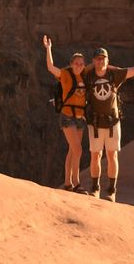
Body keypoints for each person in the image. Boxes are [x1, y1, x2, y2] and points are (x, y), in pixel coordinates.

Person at [83, 42, 134, 201]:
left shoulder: (114, 75)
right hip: (95, 123)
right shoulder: (88, 76)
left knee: (112, 156)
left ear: (107, 60)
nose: (101, 61)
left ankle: (111, 190)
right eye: (98, 59)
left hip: (112, 123)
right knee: (95, 156)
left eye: (103, 59)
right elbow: (72, 73)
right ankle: (95, 188)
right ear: (93, 61)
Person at [42, 35, 88, 190]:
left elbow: (101, 68)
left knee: (72, 150)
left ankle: (68, 183)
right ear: (71, 64)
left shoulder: (85, 75)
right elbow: (50, 67)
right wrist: (48, 49)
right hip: (67, 117)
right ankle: (77, 183)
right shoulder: (65, 74)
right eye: (76, 64)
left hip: (81, 118)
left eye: (81, 64)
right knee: (78, 149)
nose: (79, 66)